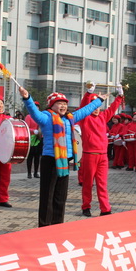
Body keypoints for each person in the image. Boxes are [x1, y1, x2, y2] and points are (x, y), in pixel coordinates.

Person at [19, 86, 108, 227]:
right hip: (50, 160)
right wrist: (27, 98)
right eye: (59, 103)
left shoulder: (70, 118)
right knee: (47, 195)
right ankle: (44, 226)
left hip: (65, 160)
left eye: (65, 104)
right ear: (52, 105)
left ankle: (57, 224)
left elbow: (85, 110)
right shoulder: (46, 117)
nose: (63, 106)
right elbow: (33, 112)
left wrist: (99, 100)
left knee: (61, 195)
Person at [78, 84, 124, 217]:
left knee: (102, 184)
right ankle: (86, 207)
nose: (96, 109)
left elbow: (113, 108)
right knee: (87, 184)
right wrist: (88, 93)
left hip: (103, 156)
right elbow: (83, 106)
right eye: (93, 106)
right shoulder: (85, 118)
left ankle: (105, 209)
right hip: (89, 155)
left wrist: (120, 96)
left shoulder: (103, 117)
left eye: (98, 106)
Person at [25, 102, 42, 179]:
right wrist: (33, 131)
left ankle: (36, 172)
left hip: (39, 138)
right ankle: (29, 172)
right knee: (30, 156)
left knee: (37, 157)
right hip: (31, 138)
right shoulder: (28, 117)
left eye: (37, 108)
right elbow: (26, 127)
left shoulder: (40, 117)